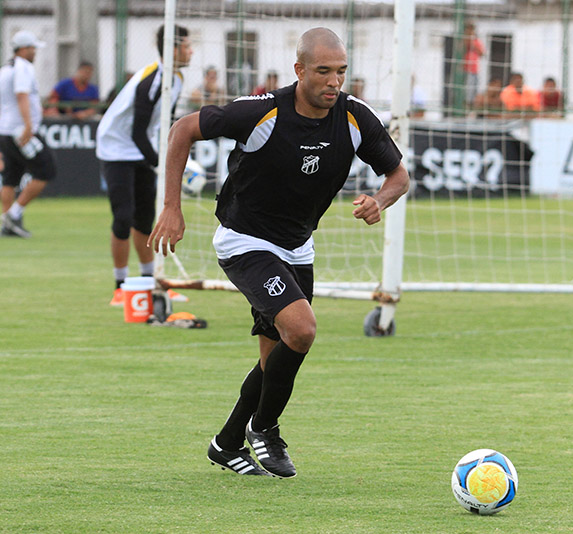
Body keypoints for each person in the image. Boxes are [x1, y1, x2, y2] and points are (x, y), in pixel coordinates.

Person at [147, 27, 409, 478]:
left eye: (341, 72)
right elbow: (182, 129)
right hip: (244, 241)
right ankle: (264, 429)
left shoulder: (355, 118)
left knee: (276, 357)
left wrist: (379, 201)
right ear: (300, 70)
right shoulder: (261, 111)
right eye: (323, 71)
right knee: (302, 330)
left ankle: (226, 443)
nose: (334, 82)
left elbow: (398, 176)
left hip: (297, 247)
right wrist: (172, 206)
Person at [96, 25, 193, 305]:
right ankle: (120, 287)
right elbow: (137, 131)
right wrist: (161, 165)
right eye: (186, 45)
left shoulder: (176, 79)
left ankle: (153, 283)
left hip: (141, 148)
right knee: (123, 217)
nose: (191, 50)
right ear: (172, 48)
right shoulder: (151, 80)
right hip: (116, 148)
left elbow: (167, 126)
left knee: (145, 219)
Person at [0, 31, 57, 238]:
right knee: (46, 169)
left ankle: (8, 224)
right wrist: (28, 126)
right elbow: (21, 95)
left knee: (10, 178)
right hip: (19, 130)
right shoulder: (23, 68)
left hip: (5, 130)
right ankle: (12, 215)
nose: (35, 52)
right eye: (33, 48)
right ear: (24, 49)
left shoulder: (5, 69)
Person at [460, 21, 484, 106]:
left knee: (473, 90)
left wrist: (473, 43)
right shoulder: (462, 41)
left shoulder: (476, 41)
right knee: (465, 91)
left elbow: (482, 53)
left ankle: (471, 105)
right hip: (464, 70)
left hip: (474, 70)